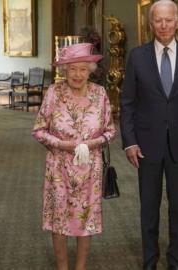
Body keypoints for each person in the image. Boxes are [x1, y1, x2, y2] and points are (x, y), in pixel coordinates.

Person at [120, 1, 178, 269]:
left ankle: (176, 262)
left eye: (169, 20)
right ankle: (149, 261)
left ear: (177, 21)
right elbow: (127, 104)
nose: (164, 25)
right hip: (146, 146)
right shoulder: (137, 56)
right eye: (158, 20)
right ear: (151, 23)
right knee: (149, 208)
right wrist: (130, 142)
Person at [32, 43, 116, 270]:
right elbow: (38, 130)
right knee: (59, 220)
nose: (77, 75)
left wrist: (91, 143)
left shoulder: (100, 94)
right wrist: (62, 144)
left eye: (82, 69)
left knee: (85, 219)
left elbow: (110, 131)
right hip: (59, 168)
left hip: (90, 168)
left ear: (90, 69)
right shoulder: (53, 93)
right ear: (64, 71)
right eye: (72, 69)